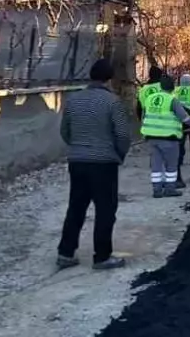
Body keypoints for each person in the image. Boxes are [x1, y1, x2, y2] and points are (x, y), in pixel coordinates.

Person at [56, 58, 132, 270]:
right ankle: (102, 256)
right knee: (105, 209)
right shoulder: (112, 102)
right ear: (110, 79)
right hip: (103, 163)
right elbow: (123, 135)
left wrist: (78, 147)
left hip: (77, 161)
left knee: (76, 207)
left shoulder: (74, 100)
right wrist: (118, 154)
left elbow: (65, 131)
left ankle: (65, 253)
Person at [141, 73, 190, 198]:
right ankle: (170, 189)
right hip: (169, 138)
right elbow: (184, 117)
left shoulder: (150, 98)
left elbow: (144, 116)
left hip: (151, 137)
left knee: (156, 164)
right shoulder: (172, 100)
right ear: (172, 88)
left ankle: (156, 190)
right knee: (171, 165)